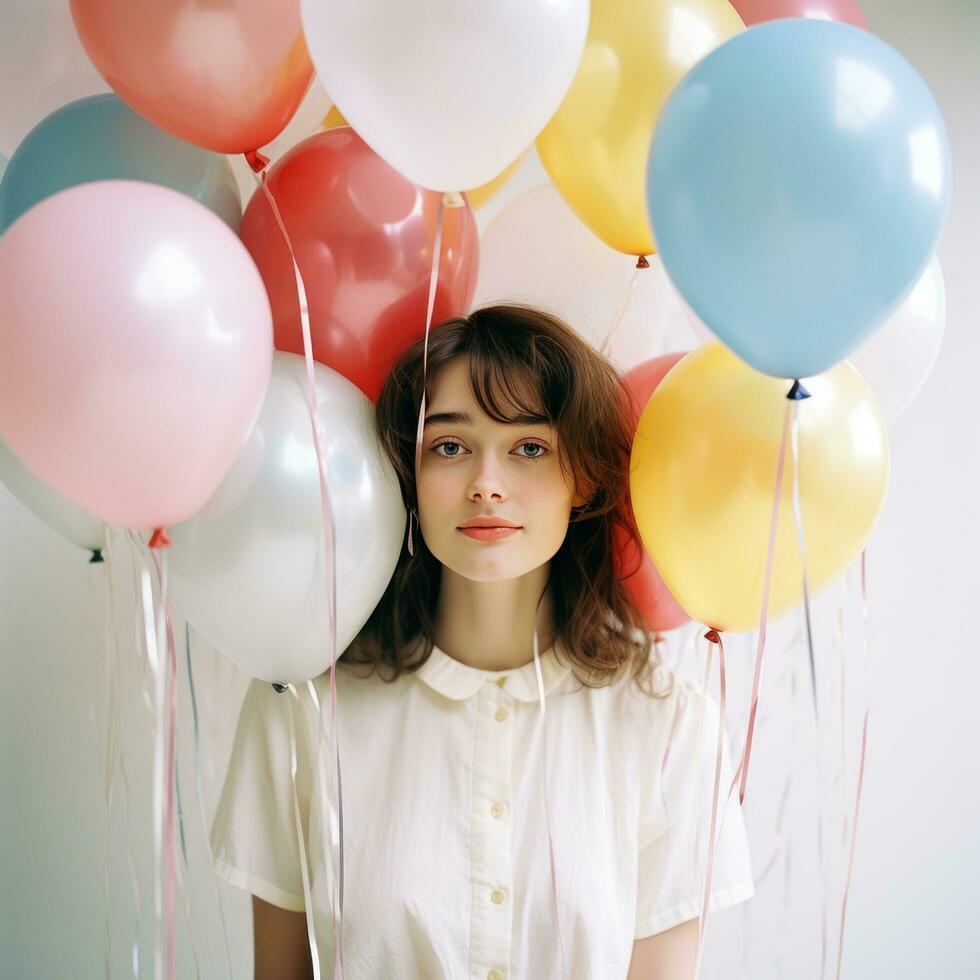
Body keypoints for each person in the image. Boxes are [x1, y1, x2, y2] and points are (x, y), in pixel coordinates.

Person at [209, 305, 755, 979]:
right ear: (407, 475)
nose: (486, 485)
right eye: (449, 447)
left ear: (581, 478)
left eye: (529, 448)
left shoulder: (670, 725)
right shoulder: (300, 710)